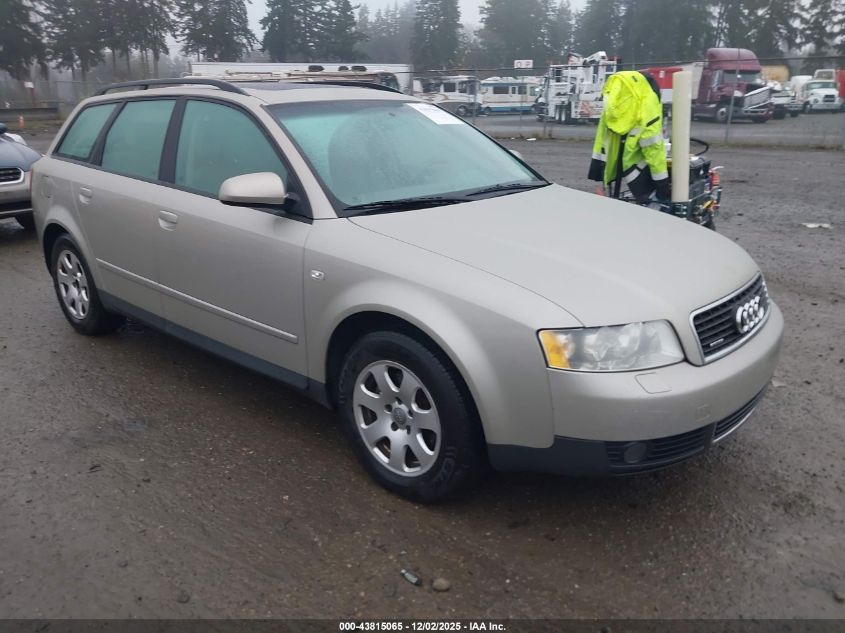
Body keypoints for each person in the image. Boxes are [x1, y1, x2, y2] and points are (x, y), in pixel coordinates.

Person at [588, 70, 670, 203]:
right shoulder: (649, 100)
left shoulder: (616, 95)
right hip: (636, 170)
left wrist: (599, 170)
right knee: (654, 201)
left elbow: (603, 139)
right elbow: (653, 148)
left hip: (610, 164)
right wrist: (663, 187)